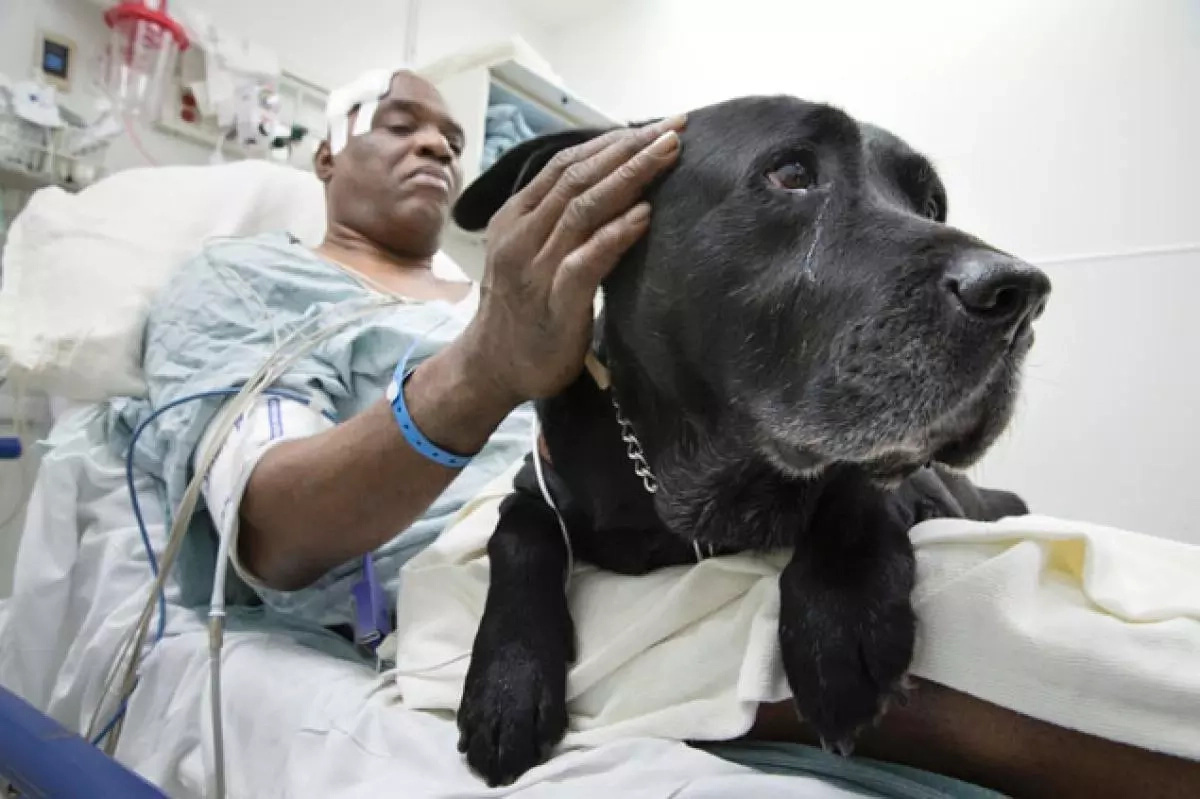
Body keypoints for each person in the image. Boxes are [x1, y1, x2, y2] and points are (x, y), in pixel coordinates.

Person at [136, 69, 1197, 797]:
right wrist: (490, 362)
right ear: (320, 153)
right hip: (482, 596)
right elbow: (266, 528)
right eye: (399, 122)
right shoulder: (252, 282)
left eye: (452, 136)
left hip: (732, 515)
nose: (437, 144)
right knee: (1014, 642)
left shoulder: (552, 286)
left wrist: (855, 502)